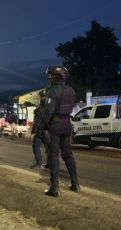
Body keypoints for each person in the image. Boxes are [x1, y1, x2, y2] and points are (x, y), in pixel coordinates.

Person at [41, 66, 79, 197]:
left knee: (53, 155)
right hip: (67, 124)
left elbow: (48, 112)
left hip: (55, 126)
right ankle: (75, 184)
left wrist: (43, 127)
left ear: (55, 77)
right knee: (68, 154)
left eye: (50, 75)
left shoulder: (52, 91)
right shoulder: (71, 90)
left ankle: (54, 188)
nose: (49, 78)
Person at [30, 94, 46, 169]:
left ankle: (39, 163)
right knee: (49, 148)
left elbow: (37, 122)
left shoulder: (38, 110)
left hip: (40, 131)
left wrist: (33, 132)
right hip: (49, 131)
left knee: (35, 146)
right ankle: (49, 163)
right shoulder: (51, 109)